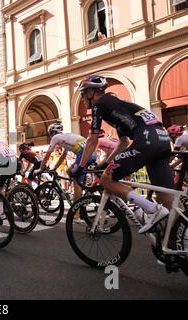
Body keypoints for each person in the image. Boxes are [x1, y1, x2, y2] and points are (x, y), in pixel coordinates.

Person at [74, 75, 173, 234]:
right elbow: (123, 142)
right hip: (162, 138)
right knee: (167, 199)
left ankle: (151, 209)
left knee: (107, 179)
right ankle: (180, 245)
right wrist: (106, 163)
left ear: (92, 92)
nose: (83, 99)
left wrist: (80, 167)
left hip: (146, 139)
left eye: (83, 94)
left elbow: (92, 140)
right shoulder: (115, 106)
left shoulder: (100, 104)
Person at [37, 122, 97, 204]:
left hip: (83, 154)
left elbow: (47, 156)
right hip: (93, 154)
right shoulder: (67, 137)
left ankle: (76, 212)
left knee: (77, 184)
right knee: (69, 171)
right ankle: (84, 191)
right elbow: (63, 156)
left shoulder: (55, 137)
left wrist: (40, 168)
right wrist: (55, 167)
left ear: (52, 132)